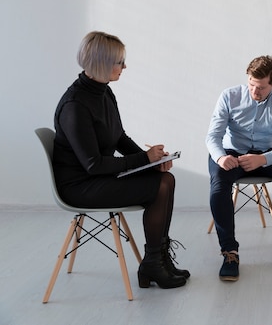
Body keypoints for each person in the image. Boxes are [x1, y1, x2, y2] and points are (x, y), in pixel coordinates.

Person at [53, 31, 189, 290]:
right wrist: (142, 159)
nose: (124, 67)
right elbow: (92, 164)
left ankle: (157, 259)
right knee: (159, 186)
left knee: (165, 178)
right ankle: (152, 264)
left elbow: (119, 138)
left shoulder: (103, 93)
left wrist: (151, 161)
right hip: (81, 186)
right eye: (119, 62)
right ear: (101, 62)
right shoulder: (75, 105)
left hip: (99, 176)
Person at [206, 55, 272, 282]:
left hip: (264, 156)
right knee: (219, 180)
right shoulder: (229, 96)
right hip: (231, 154)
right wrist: (221, 157)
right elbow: (213, 136)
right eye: (251, 84)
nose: (254, 90)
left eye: (260, 87)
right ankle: (229, 252)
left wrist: (264, 160)